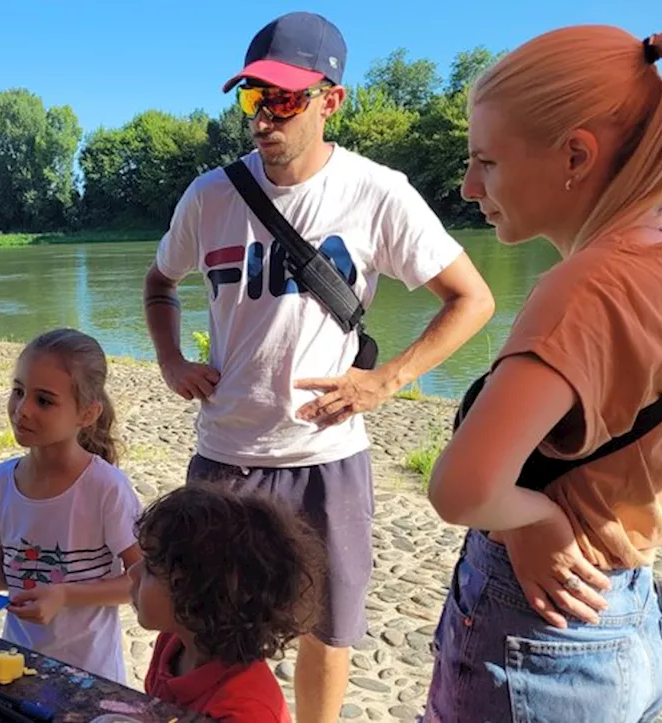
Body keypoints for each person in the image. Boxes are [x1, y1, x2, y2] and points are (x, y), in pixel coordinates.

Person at [142, 11, 495, 723]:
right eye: (251, 99)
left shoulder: (377, 192)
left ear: (330, 100)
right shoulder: (209, 197)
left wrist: (387, 379)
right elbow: (158, 283)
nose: (263, 120)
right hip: (225, 454)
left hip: (326, 458)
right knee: (202, 624)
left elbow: (472, 299)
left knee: (328, 629)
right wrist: (172, 359)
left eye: (283, 99)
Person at [425, 24, 662, 723]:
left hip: (542, 639)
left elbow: (462, 486)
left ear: (574, 154)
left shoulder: (586, 287)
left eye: (487, 162)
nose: (470, 187)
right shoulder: (660, 262)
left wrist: (535, 519)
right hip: (628, 617)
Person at [0, 328, 144, 684]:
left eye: (44, 400)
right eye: (18, 391)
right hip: (18, 667)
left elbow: (141, 580)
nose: (22, 409)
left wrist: (65, 595)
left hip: (90, 676)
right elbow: (8, 572)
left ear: (87, 413)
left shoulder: (106, 488)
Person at [130, 485, 325, 723]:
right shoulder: (173, 644)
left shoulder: (246, 713)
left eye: (150, 567)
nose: (131, 572)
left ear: (195, 596)